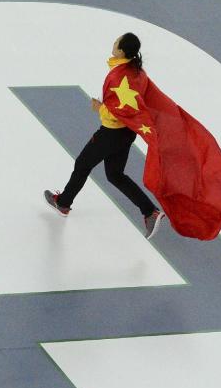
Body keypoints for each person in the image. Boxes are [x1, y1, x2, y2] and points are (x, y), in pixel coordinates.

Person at [44, 33, 165, 239]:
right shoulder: (136, 72)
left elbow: (118, 112)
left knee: (83, 164)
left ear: (122, 51)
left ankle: (63, 203)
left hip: (111, 133)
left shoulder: (119, 76)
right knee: (115, 174)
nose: (114, 42)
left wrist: (100, 107)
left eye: (117, 42)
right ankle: (149, 211)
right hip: (127, 133)